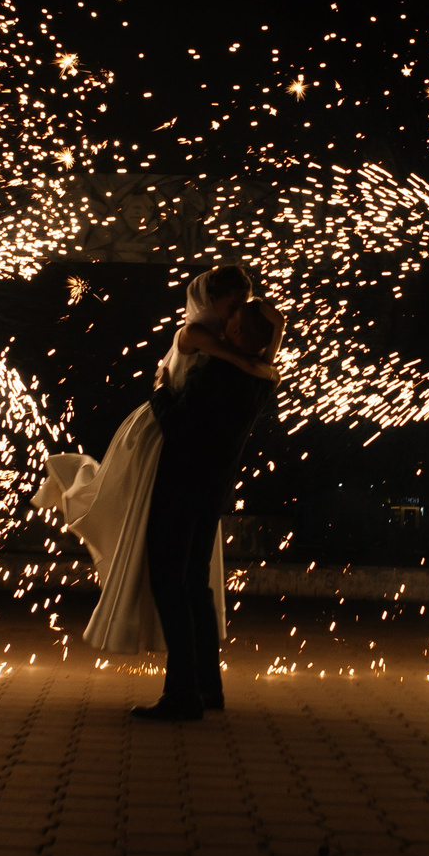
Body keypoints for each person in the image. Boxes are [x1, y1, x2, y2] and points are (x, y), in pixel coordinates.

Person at [35, 265, 274, 658]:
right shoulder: (196, 335)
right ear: (212, 302)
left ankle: (185, 685)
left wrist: (265, 348)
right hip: (160, 437)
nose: (238, 314)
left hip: (180, 443)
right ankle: (194, 683)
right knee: (160, 549)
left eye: (243, 307)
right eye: (233, 305)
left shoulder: (222, 347)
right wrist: (264, 357)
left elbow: (248, 355)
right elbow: (248, 359)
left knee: (176, 569)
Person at [133, 297, 283, 721]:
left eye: (230, 321)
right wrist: (278, 326)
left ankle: (182, 695)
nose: (222, 324)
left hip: (181, 488)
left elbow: (176, 426)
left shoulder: (216, 374)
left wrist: (161, 387)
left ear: (234, 334)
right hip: (211, 492)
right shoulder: (261, 377)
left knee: (170, 585)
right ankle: (207, 686)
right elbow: (263, 351)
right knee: (196, 587)